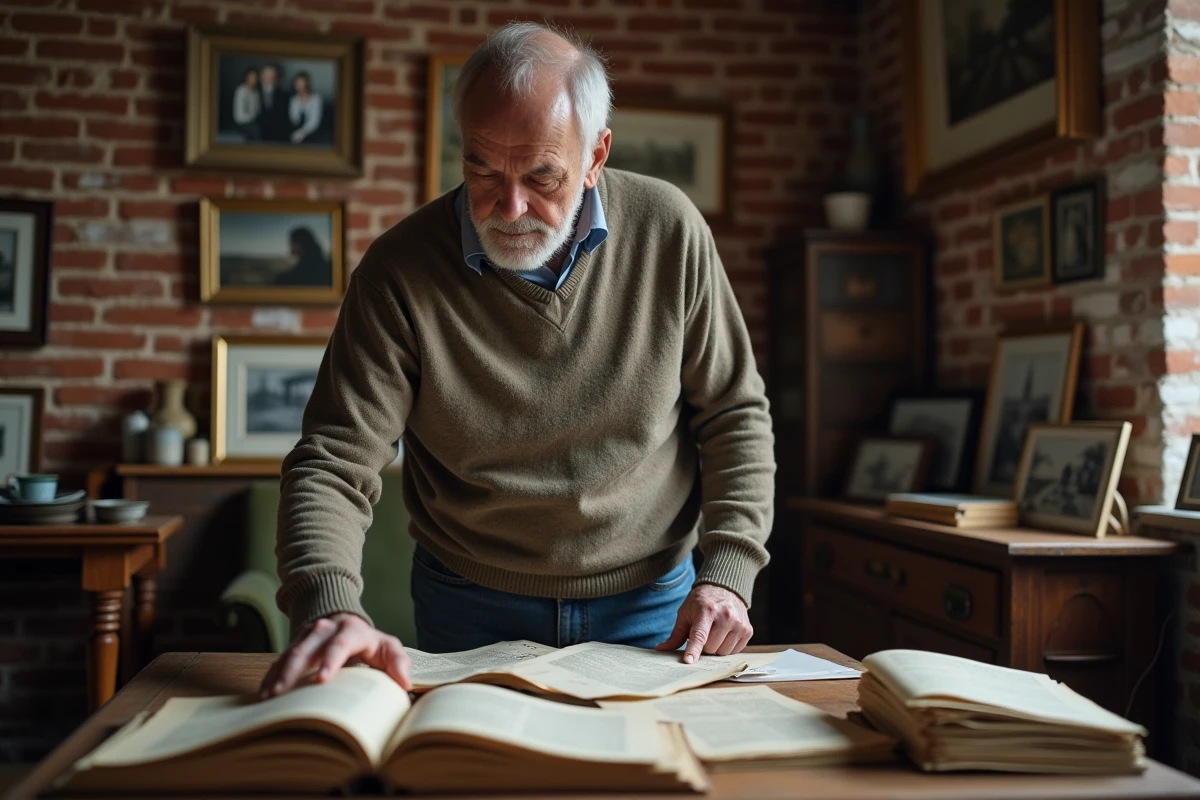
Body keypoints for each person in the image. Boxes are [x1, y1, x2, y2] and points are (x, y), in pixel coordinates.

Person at [261, 22, 774, 698]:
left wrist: (728, 572)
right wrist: (328, 604)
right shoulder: (399, 270)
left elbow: (734, 413)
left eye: (541, 177)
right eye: (481, 168)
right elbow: (333, 458)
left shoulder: (670, 230)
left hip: (655, 604)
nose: (507, 208)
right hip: (468, 599)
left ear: (596, 156)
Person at [257, 63, 292, 143]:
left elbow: (283, 118)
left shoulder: (284, 95)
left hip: (276, 134)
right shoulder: (253, 91)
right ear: (261, 76)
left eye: (273, 76)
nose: (270, 79)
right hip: (257, 130)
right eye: (268, 76)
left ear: (277, 79)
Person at [288, 72, 324, 145]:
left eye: (302, 83)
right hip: (297, 130)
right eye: (297, 84)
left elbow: (314, 121)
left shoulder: (316, 99)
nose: (300, 86)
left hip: (314, 131)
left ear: (307, 84)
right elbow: (294, 119)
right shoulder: (294, 100)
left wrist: (303, 132)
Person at [231, 68, 261, 141]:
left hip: (254, 120)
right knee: (256, 131)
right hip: (242, 122)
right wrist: (254, 119)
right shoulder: (241, 90)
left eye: (255, 78)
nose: (253, 80)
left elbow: (258, 109)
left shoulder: (256, 92)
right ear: (246, 78)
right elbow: (239, 115)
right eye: (251, 77)